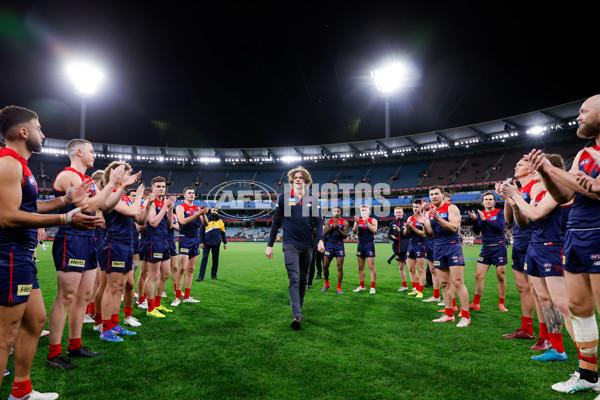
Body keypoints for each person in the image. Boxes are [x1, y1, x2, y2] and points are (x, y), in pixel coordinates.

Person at [0, 105, 102, 399]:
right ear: (23, 132)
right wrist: (66, 218)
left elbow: (29, 208)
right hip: (9, 256)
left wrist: (65, 201)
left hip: (21, 255)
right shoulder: (9, 163)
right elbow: (8, 216)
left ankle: (21, 391)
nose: (42, 134)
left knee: (35, 321)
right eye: (38, 128)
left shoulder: (21, 166)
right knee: (5, 336)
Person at [526, 95, 600, 393]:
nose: (578, 115)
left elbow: (594, 189)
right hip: (576, 233)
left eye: (584, 110)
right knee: (578, 307)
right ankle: (588, 374)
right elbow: (565, 196)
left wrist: (591, 185)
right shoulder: (584, 153)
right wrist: (545, 171)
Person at [47, 139, 136, 369]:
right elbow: (89, 206)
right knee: (66, 296)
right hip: (71, 238)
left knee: (84, 295)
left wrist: (121, 187)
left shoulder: (87, 180)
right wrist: (112, 183)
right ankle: (54, 353)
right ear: (79, 152)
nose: (95, 155)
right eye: (92, 151)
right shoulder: (68, 175)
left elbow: (104, 206)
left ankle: (74, 345)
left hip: (89, 240)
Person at [502, 154, 574, 362]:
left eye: (535, 166)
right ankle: (557, 348)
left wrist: (515, 197)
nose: (533, 170)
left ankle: (584, 360)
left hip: (554, 248)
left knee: (561, 304)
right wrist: (514, 203)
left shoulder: (557, 189)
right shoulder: (536, 191)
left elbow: (535, 215)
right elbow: (524, 222)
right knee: (544, 299)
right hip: (535, 246)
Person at [97, 162, 151, 342]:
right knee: (111, 288)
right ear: (114, 173)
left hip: (128, 245)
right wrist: (139, 198)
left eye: (130, 172)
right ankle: (105, 330)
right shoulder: (111, 194)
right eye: (126, 172)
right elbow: (130, 212)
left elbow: (141, 220)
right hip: (115, 244)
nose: (129, 175)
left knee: (119, 288)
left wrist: (148, 203)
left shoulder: (125, 197)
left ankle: (114, 324)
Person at [265, 166, 324, 330]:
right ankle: (297, 315)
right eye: (296, 177)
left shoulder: (313, 198)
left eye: (301, 177)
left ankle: (299, 310)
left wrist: (320, 241)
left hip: (308, 245)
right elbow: (276, 223)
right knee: (294, 278)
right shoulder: (283, 198)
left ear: (306, 180)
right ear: (292, 180)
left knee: (304, 279)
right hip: (290, 244)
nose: (298, 179)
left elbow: (319, 222)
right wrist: (269, 245)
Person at [496, 158, 540, 344]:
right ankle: (527, 329)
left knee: (537, 290)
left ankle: (548, 335)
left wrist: (515, 198)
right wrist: (508, 199)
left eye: (520, 164)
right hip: (519, 241)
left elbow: (528, 219)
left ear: (531, 168)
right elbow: (509, 219)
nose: (515, 166)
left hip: (533, 240)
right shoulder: (519, 189)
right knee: (523, 288)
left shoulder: (535, 186)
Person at [422, 186, 471, 327]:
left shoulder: (451, 208)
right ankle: (449, 314)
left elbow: (453, 227)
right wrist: (424, 224)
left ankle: (466, 316)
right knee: (444, 283)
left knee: (457, 282)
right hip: (437, 248)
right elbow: (429, 234)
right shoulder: (429, 213)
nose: (433, 196)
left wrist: (437, 218)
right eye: (431, 194)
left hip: (452, 247)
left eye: (436, 193)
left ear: (442, 195)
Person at [468, 191, 509, 312]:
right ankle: (476, 303)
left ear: (494, 201)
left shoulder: (500, 213)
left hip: (499, 247)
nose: (488, 201)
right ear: (483, 202)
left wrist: (485, 219)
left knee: (500, 276)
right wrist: (475, 220)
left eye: (490, 199)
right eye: (486, 199)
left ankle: (501, 303)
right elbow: (476, 232)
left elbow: (500, 227)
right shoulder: (481, 214)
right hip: (486, 248)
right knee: (478, 276)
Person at [141, 176, 176, 318]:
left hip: (164, 241)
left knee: (166, 274)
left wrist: (170, 209)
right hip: (153, 241)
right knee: (153, 275)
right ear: (153, 188)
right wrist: (165, 207)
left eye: (163, 186)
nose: (161, 189)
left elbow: (169, 225)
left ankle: (157, 303)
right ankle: (150, 308)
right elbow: (153, 222)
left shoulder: (163, 204)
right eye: (158, 187)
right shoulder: (151, 202)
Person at [172, 187, 208, 306]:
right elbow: (182, 222)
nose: (192, 195)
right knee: (182, 268)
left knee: (191, 269)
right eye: (189, 193)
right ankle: (177, 296)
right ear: (184, 195)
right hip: (185, 239)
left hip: (195, 239)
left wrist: (203, 214)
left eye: (193, 193)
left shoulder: (197, 208)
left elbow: (206, 224)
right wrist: (198, 214)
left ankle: (187, 296)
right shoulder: (180, 207)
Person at [321, 207, 348, 294]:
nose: (336, 213)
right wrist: (332, 227)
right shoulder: (328, 221)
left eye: (338, 211)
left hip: (339, 246)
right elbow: (324, 233)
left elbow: (345, 236)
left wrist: (338, 229)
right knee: (325, 266)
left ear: (341, 212)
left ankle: (339, 287)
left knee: (340, 267)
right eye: (334, 211)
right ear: (332, 212)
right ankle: (326, 284)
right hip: (329, 245)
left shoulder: (344, 222)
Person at [403, 200, 427, 297]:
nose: (415, 208)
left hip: (420, 244)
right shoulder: (410, 218)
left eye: (417, 207)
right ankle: (416, 289)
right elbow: (405, 234)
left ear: (421, 207)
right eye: (413, 207)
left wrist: (412, 227)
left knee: (421, 269)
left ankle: (421, 291)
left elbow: (424, 234)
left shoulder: (423, 218)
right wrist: (407, 228)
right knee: (411, 269)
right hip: (411, 244)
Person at [352, 205, 378, 294]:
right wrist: (356, 222)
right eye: (362, 210)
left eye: (365, 210)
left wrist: (367, 222)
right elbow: (354, 231)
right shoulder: (358, 220)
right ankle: (362, 286)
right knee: (360, 266)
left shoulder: (373, 220)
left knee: (371, 266)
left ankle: (372, 287)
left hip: (369, 245)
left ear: (369, 211)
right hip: (360, 245)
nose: (363, 211)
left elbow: (374, 230)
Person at [197, 207, 227, 281]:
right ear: (211, 211)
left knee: (215, 260)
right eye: (214, 210)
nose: (215, 211)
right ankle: (201, 276)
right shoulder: (206, 220)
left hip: (216, 243)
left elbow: (223, 233)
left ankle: (214, 275)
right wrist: (201, 242)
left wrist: (225, 243)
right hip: (206, 243)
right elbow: (201, 232)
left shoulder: (220, 221)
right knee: (204, 259)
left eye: (216, 210)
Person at [387, 207, 410, 292]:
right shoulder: (392, 224)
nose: (398, 214)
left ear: (403, 213)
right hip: (397, 249)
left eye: (400, 212)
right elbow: (389, 234)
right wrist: (392, 237)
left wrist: (401, 232)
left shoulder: (407, 222)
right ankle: (404, 286)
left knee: (411, 268)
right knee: (401, 267)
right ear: (394, 213)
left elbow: (409, 234)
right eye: (397, 212)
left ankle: (416, 287)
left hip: (407, 248)